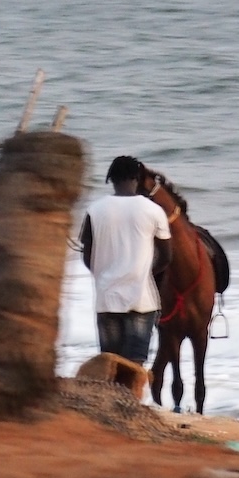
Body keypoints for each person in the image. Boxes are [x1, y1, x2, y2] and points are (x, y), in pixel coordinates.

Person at [79, 155, 171, 366]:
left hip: (106, 299)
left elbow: (87, 255)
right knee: (134, 368)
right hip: (141, 299)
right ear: (136, 178)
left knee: (110, 367)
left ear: (111, 178)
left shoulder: (94, 210)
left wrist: (102, 272)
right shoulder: (153, 210)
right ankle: (130, 400)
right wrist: (144, 273)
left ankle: (111, 399)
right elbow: (166, 256)